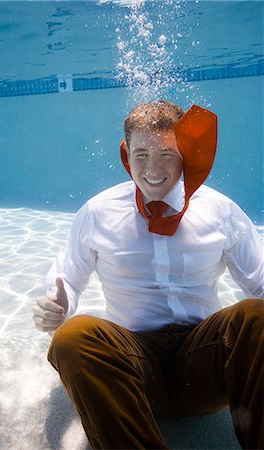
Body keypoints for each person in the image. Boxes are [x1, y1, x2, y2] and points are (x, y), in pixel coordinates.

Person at [33, 100, 264, 450]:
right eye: (142, 154)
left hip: (207, 365)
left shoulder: (221, 210)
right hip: (133, 373)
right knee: (73, 336)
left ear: (184, 151)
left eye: (167, 154)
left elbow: (260, 285)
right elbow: (66, 283)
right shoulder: (97, 213)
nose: (153, 168)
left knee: (256, 316)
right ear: (127, 154)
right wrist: (55, 309)